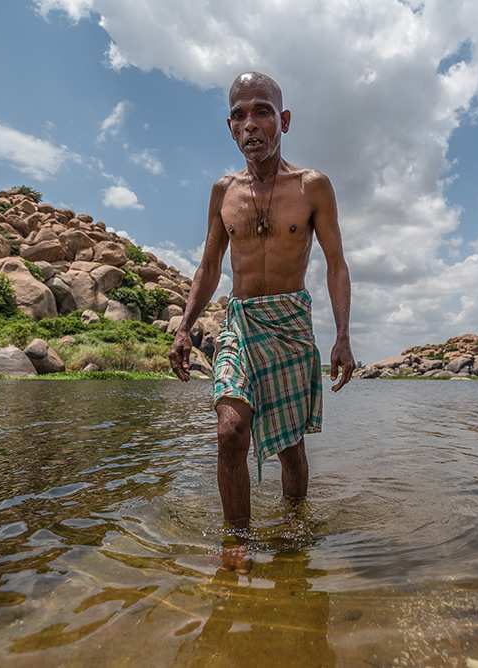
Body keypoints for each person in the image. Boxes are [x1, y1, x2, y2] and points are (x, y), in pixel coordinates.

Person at [169, 71, 355, 541]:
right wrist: (183, 327)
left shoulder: (313, 186)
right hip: (241, 321)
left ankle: (295, 529)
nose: (250, 123)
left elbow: (336, 263)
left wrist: (343, 336)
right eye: (239, 115)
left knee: (291, 447)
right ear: (229, 128)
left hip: (290, 324)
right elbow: (210, 266)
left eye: (262, 111)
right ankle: (237, 544)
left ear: (284, 120)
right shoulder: (223, 191)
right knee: (231, 431)